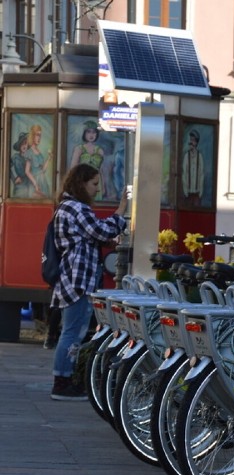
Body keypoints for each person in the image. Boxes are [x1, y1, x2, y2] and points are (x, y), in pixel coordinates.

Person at [50, 163, 127, 400]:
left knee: (72, 331)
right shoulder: (76, 208)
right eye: (94, 184)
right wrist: (121, 209)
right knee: (73, 332)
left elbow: (91, 236)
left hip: (73, 277)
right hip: (78, 279)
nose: (97, 189)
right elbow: (102, 231)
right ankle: (62, 383)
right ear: (81, 183)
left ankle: (64, 378)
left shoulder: (67, 207)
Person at [24, 124, 52, 199]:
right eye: (37, 135)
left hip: (43, 182)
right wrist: (35, 183)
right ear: (32, 136)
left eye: (40, 135)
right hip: (35, 183)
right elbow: (27, 171)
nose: (39, 138)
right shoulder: (29, 152)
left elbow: (43, 170)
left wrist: (49, 159)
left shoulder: (39, 152)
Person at [181, 129, 205, 207]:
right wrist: (185, 191)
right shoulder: (186, 156)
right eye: (191, 140)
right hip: (188, 194)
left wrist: (200, 192)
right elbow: (184, 173)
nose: (191, 142)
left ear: (196, 143)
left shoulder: (200, 156)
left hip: (197, 194)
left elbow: (201, 174)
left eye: (193, 140)